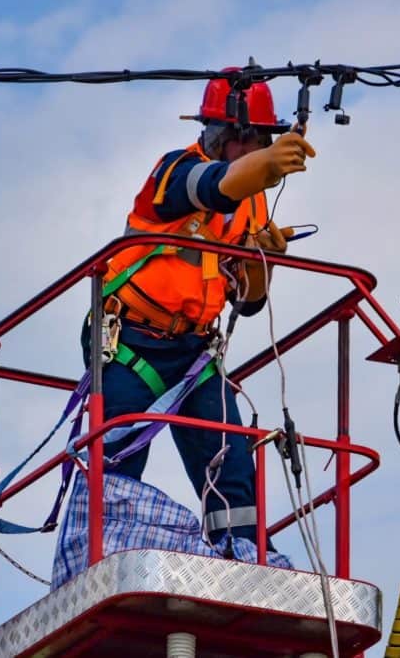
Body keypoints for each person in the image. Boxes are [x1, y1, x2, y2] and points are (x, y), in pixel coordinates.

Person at [52, 69, 316, 585]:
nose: (250, 147)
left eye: (258, 140)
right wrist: (262, 164)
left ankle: (244, 564)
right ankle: (98, 563)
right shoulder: (172, 173)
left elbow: (248, 304)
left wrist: (260, 260)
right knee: (117, 455)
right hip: (132, 341)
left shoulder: (254, 203)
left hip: (195, 354)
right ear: (218, 134)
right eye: (244, 139)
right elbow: (210, 189)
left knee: (232, 466)